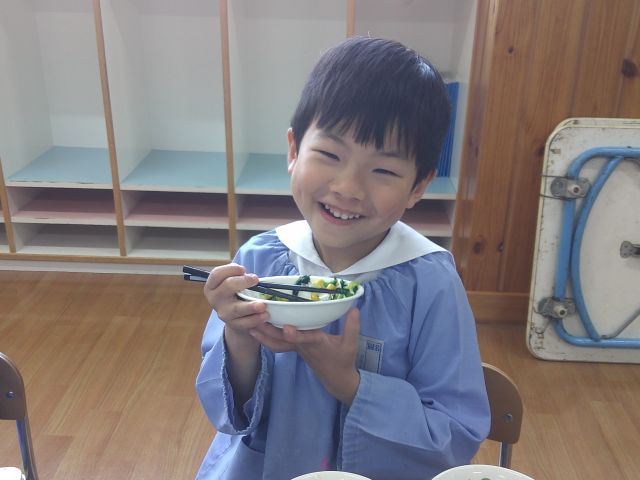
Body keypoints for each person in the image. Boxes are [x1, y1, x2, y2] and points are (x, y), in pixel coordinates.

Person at [195, 36, 490, 480]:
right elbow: (224, 412)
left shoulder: (429, 282)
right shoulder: (259, 259)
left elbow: (455, 434)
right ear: (293, 151)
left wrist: (350, 384)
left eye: (384, 170)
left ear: (418, 186)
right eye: (330, 154)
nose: (348, 188)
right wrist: (240, 336)